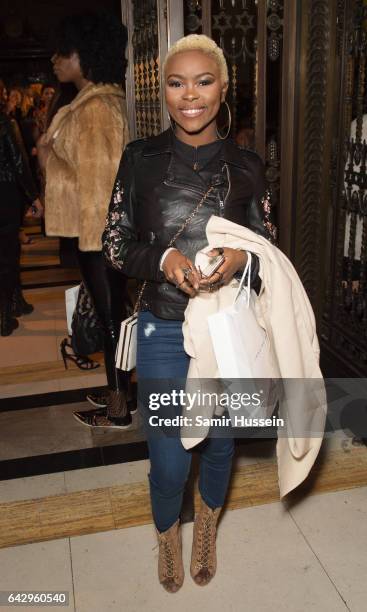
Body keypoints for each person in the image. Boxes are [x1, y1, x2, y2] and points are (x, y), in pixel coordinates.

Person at [102, 34, 272, 592]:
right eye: (177, 82)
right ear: (164, 91)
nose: (189, 95)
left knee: (220, 443)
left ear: (224, 89)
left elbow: (270, 253)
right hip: (162, 326)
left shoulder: (248, 166)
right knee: (170, 456)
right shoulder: (140, 160)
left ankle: (207, 529)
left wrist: (241, 256)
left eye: (203, 81)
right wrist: (165, 258)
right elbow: (114, 243)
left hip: (228, 326)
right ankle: (168, 534)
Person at [40, 11, 133, 428]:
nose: (56, 60)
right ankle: (119, 388)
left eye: (66, 52)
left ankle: (118, 410)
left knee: (112, 319)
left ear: (87, 55)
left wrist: (47, 157)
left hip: (98, 233)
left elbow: (100, 182)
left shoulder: (95, 109)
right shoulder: (94, 102)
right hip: (97, 232)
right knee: (113, 315)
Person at [0, 110, 43, 335]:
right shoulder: (5, 122)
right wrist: (33, 196)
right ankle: (4, 315)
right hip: (5, 193)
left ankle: (16, 300)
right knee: (7, 254)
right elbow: (18, 162)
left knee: (9, 252)